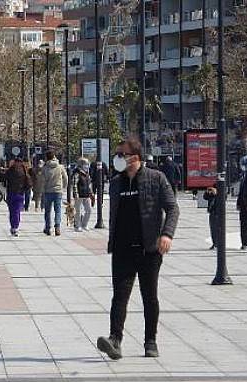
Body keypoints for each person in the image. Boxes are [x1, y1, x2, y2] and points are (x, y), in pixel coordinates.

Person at [97, 137, 179, 360]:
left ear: (135, 157)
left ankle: (150, 341)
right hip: (122, 248)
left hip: (149, 249)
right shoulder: (116, 182)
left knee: (149, 296)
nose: (117, 159)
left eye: (121, 155)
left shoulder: (156, 178)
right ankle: (115, 340)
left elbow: (172, 209)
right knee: (119, 296)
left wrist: (167, 234)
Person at [39, 150, 68, 236]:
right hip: (58, 191)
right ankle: (57, 227)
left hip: (48, 191)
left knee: (47, 211)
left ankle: (48, 228)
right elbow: (66, 178)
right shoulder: (60, 167)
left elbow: (42, 180)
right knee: (58, 210)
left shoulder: (44, 168)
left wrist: (42, 190)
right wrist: (63, 188)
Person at [5, 156, 32, 236]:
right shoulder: (24, 171)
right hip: (20, 194)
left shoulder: (10, 170)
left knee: (12, 211)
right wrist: (24, 190)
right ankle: (15, 227)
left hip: (11, 194)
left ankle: (13, 226)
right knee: (17, 211)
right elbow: (29, 183)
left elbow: (2, 179)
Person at [72, 158, 95, 232]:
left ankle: (84, 224)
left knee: (89, 210)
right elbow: (74, 183)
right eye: (85, 164)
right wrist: (76, 193)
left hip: (86, 194)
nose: (87, 166)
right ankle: (77, 226)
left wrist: (91, 193)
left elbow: (89, 184)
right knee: (78, 211)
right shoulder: (77, 173)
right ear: (81, 164)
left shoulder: (87, 173)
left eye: (87, 164)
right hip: (79, 194)